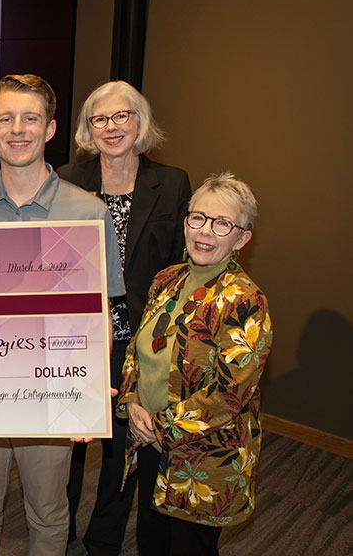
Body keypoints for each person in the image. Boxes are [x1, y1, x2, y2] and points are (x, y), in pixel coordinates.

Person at [0, 74, 126, 556]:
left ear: (50, 129)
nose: (18, 129)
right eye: (5, 118)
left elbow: (100, 312)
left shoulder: (86, 213)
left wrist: (87, 395)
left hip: (49, 387)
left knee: (48, 513)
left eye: (31, 118)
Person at [58, 80, 191, 555]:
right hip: (75, 338)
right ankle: (61, 534)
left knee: (121, 449)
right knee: (67, 449)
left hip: (137, 342)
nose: (111, 128)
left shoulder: (172, 183)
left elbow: (180, 265)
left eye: (122, 116)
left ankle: (101, 541)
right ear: (87, 129)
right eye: (100, 119)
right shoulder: (67, 178)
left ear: (140, 122)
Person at [117, 172, 271, 556]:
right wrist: (133, 401)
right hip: (149, 439)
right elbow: (138, 350)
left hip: (203, 459)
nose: (205, 231)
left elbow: (228, 395)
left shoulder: (245, 302)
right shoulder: (166, 279)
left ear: (242, 238)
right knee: (151, 541)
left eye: (222, 224)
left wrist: (158, 428)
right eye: (198, 217)